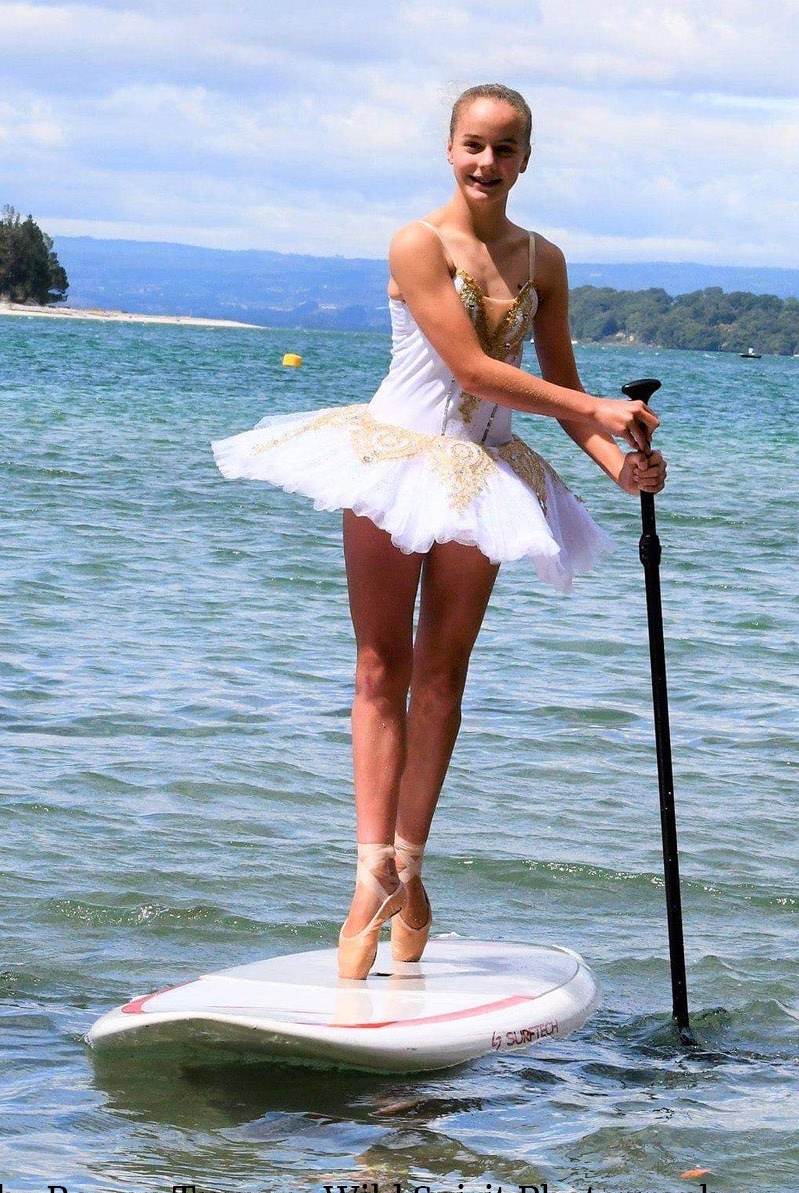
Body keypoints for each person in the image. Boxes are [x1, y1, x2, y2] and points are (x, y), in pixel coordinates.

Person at [212, 83, 667, 979]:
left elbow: (564, 390)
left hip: (485, 477)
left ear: (527, 159)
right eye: (472, 146)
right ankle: (366, 871)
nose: (486, 164)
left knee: (443, 679)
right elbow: (470, 367)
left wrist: (625, 468)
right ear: (448, 148)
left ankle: (409, 871)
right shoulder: (415, 244)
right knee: (380, 665)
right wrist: (596, 409)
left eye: (504, 149)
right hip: (396, 459)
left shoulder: (545, 260)